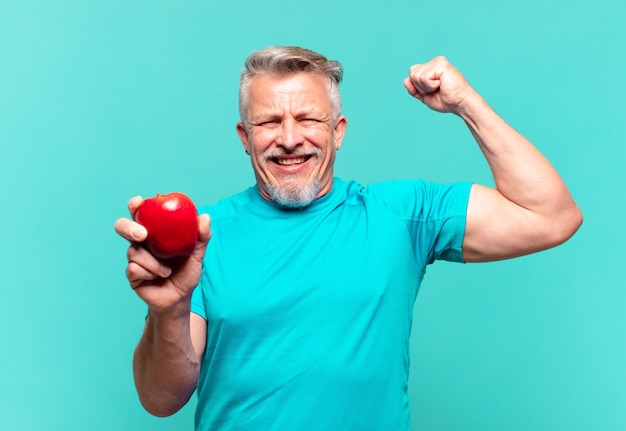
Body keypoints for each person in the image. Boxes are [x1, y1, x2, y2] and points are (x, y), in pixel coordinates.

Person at [114, 46, 582, 430]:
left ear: (338, 131)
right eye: (269, 122)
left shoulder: (402, 214)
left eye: (309, 119)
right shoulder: (202, 234)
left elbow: (551, 217)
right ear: (244, 136)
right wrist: (168, 310)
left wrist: (467, 105)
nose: (290, 138)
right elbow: (160, 400)